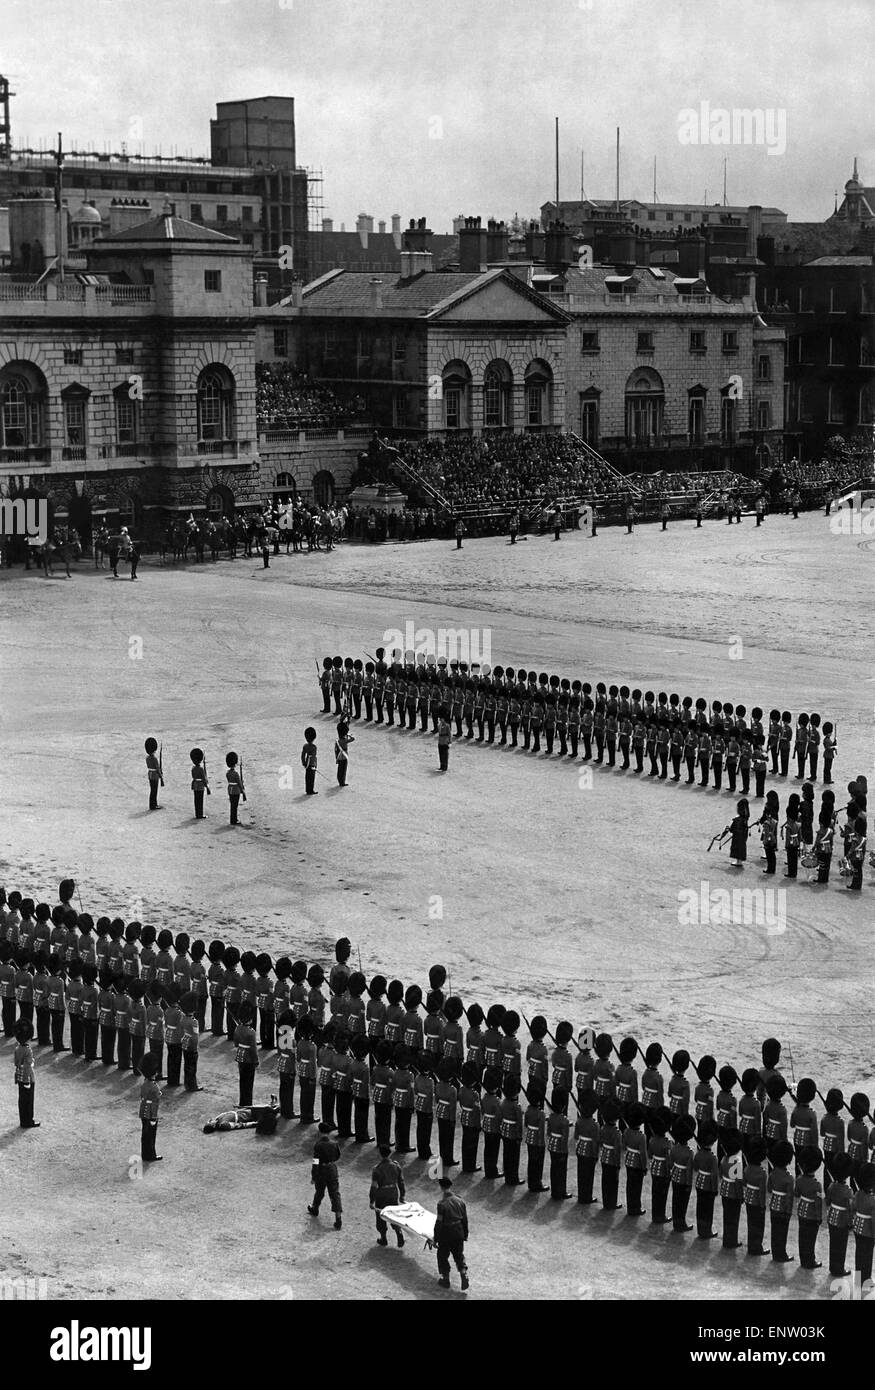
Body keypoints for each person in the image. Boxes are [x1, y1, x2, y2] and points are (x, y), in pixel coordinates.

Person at [434, 1176, 469, 1290]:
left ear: (441, 1187)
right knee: (459, 1255)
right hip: (458, 1231)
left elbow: (439, 1222)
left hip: (446, 1233)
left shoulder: (442, 1204)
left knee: (442, 1256)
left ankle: (446, 1279)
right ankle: (463, 1274)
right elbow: (465, 1219)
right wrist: (465, 1234)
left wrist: (436, 1238)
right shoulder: (460, 1200)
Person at [370, 1145, 406, 1248]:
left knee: (381, 1215)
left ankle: (383, 1238)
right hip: (393, 1193)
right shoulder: (396, 1166)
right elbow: (401, 1182)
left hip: (381, 1194)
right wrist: (402, 1195)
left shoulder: (377, 1169)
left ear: (380, 1154)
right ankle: (399, 1233)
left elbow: (374, 1187)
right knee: (394, 1214)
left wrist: (371, 1200)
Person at [308, 1122, 343, 1230]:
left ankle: (315, 1208)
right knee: (334, 1194)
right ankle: (338, 1218)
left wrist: (314, 1176)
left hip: (321, 1171)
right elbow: (338, 1156)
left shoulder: (318, 1145)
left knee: (319, 1191)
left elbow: (315, 1162)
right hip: (332, 1169)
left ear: (320, 1132)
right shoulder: (334, 1143)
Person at [13, 1019, 39, 1128]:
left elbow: (16, 1062)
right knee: (28, 1101)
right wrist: (27, 1081)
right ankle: (28, 1121)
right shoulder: (28, 1050)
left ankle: (23, 1120)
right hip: (27, 1078)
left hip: (19, 1076)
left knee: (22, 1099)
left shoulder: (17, 1048)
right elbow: (28, 1066)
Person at [138, 1053, 162, 1162]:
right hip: (150, 1114)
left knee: (145, 1135)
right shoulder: (154, 1087)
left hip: (143, 1111)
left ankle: (145, 1154)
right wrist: (153, 1118)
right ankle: (151, 1155)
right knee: (151, 1136)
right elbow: (154, 1105)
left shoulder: (145, 1083)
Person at [225, 752, 246, 825]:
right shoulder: (236, 773)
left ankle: (232, 819)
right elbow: (239, 784)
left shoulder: (228, 773)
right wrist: (242, 791)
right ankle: (234, 820)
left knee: (232, 805)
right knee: (235, 806)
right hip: (236, 791)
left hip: (230, 790)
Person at [190, 747, 210, 819]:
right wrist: (207, 786)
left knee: (196, 800)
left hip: (195, 785)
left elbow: (193, 776)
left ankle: (197, 813)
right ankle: (200, 814)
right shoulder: (201, 769)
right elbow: (204, 778)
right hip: (200, 785)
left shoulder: (193, 768)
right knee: (200, 800)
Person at [334, 722, 354, 788]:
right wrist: (348, 735)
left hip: (339, 756)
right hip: (344, 755)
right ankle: (342, 781)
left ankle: (340, 780)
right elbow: (353, 739)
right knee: (344, 769)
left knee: (340, 768)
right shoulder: (345, 740)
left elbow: (336, 750)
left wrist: (336, 758)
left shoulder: (338, 740)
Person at [301, 727, 318, 795]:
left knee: (307, 777)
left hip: (307, 763)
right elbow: (313, 757)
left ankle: (307, 789)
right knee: (312, 778)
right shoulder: (314, 747)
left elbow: (303, 755)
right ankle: (311, 790)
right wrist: (315, 765)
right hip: (312, 764)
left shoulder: (305, 746)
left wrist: (304, 762)